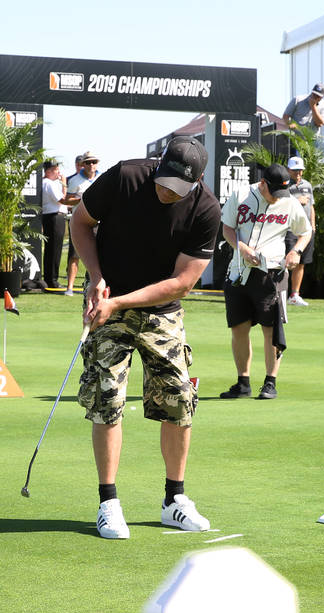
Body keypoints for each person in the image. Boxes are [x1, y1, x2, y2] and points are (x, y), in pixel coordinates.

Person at [69, 135, 221, 540]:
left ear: (198, 182)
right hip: (108, 303)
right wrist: (97, 279)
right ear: (158, 166)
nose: (168, 193)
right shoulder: (124, 177)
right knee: (107, 400)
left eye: (179, 190)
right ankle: (108, 503)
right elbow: (80, 223)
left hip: (161, 312)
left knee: (178, 401)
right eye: (164, 183)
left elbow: (181, 283)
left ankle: (174, 501)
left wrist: (119, 301)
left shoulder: (206, 208)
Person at [219, 164, 311, 400]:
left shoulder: (288, 202)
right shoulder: (240, 195)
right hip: (239, 272)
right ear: (262, 183)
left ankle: (270, 382)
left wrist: (296, 252)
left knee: (271, 330)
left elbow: (306, 231)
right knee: (239, 328)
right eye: (274, 192)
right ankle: (243, 382)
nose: (277, 198)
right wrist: (241, 248)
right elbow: (227, 228)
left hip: (272, 274)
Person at [61, 150, 100, 296]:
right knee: (75, 255)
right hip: (80, 223)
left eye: (94, 162)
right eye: (88, 162)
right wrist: (82, 199)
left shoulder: (103, 178)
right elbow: (66, 200)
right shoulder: (75, 180)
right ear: (82, 164)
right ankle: (70, 288)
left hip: (99, 222)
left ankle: (97, 285)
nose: (91, 165)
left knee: (100, 255)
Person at [283, 156, 315, 307]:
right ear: (288, 170)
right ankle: (280, 293)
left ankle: (294, 295)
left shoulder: (307, 185)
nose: (298, 173)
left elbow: (311, 207)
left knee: (301, 263)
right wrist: (297, 201)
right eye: (295, 170)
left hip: (306, 231)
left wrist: (313, 227)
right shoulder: (283, 186)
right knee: (287, 262)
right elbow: (280, 204)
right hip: (290, 230)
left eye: (300, 170)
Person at [40, 159, 67, 289]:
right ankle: (52, 279)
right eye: (56, 169)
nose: (58, 172)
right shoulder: (49, 183)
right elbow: (62, 199)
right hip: (54, 216)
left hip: (52, 216)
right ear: (49, 171)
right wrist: (65, 185)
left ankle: (51, 278)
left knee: (53, 249)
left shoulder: (47, 183)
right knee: (54, 249)